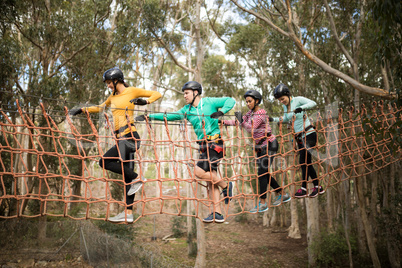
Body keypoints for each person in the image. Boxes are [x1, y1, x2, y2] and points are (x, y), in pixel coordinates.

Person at [69, 67, 162, 222]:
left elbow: (157, 94)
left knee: (104, 161)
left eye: (109, 82)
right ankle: (128, 213)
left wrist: (145, 101)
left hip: (130, 136)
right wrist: (81, 110)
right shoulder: (112, 97)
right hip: (121, 139)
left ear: (117, 80)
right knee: (127, 178)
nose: (108, 86)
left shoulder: (131, 91)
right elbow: (99, 108)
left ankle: (138, 178)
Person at [136, 81, 235, 223]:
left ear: (195, 93)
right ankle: (217, 213)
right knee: (211, 180)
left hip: (215, 144)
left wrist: (222, 112)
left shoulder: (209, 102)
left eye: (187, 93)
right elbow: (169, 116)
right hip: (203, 146)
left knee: (199, 173)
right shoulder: (186, 110)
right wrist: (149, 116)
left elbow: (230, 100)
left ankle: (226, 185)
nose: (185, 96)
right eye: (184, 93)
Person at [222, 90, 291, 213]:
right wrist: (222, 122)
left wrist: (241, 121)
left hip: (269, 144)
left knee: (262, 173)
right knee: (263, 173)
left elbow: (250, 129)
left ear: (257, 101)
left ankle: (263, 202)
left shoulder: (261, 113)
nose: (248, 104)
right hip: (260, 146)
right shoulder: (250, 113)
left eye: (250, 101)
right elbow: (239, 122)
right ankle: (282, 194)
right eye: (246, 101)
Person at [271, 83, 325, 198]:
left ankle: (304, 188)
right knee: (307, 162)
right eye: (279, 100)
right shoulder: (285, 107)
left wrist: (302, 108)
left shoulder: (298, 100)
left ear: (287, 94)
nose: (281, 101)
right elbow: (286, 119)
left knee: (303, 160)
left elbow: (313, 103)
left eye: (282, 99)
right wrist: (273, 119)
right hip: (299, 138)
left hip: (309, 134)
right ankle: (318, 187)